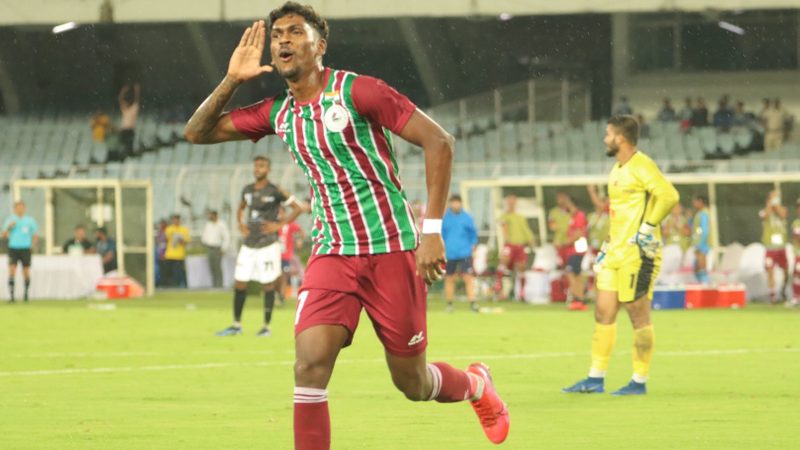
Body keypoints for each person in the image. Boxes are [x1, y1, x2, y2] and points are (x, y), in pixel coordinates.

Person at [184, 4, 509, 447]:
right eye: (276, 34)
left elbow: (439, 142)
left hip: (391, 249)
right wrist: (232, 80)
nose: (282, 40)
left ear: (320, 45)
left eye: (295, 32)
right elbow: (196, 133)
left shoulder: (360, 92)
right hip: (333, 253)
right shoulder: (278, 114)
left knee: (412, 383)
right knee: (309, 366)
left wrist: (431, 230)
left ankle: (475, 385)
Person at [562, 115, 679, 396]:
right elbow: (620, 215)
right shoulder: (616, 169)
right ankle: (595, 378)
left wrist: (648, 228)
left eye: (608, 134)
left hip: (638, 253)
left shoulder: (642, 165)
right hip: (615, 252)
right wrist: (607, 245)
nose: (605, 139)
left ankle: (639, 380)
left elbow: (669, 196)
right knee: (603, 312)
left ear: (620, 138)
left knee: (638, 315)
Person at [215, 156, 306, 337]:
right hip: (249, 243)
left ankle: (266, 326)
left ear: (268, 170)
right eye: (256, 166)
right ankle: (236, 325)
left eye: (262, 166)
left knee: (268, 283)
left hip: (268, 244)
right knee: (240, 281)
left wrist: (280, 225)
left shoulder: (275, 190)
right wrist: (240, 223)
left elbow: (298, 207)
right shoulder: (247, 189)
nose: (258, 169)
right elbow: (241, 207)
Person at [442, 194, 479, 313]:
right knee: (449, 279)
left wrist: (473, 247)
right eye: (453, 202)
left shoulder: (467, 217)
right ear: (450, 204)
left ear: (461, 203)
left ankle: (473, 303)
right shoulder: (446, 218)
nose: (455, 205)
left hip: (465, 253)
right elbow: (441, 236)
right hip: (450, 253)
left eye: (457, 202)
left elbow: (473, 234)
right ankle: (449, 304)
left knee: (468, 278)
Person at [495, 194, 535, 301]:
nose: (511, 203)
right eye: (510, 201)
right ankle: (498, 287)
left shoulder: (521, 217)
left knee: (522, 267)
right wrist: (507, 238)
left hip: (520, 246)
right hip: (510, 245)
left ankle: (522, 292)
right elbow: (503, 227)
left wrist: (531, 241)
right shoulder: (505, 216)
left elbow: (526, 230)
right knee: (504, 263)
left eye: (513, 200)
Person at [2, 201, 38, 302]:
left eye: (21, 207)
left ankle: (26, 294)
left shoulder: (30, 220)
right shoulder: (10, 220)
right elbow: (4, 235)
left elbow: (35, 235)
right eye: (18, 207)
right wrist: (9, 227)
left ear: (24, 208)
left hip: (25, 248)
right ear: (15, 209)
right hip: (13, 248)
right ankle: (12, 296)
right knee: (12, 270)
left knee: (26, 271)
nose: (20, 209)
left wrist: (32, 245)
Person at [560, 194, 589, 311]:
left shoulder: (579, 215)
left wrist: (566, 242)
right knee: (576, 274)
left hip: (577, 250)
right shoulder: (571, 216)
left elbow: (579, 232)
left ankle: (578, 298)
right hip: (573, 250)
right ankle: (579, 300)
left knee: (571, 273)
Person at [760, 190, 788, 303]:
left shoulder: (782, 209)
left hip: (781, 247)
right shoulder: (764, 211)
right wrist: (770, 204)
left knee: (785, 271)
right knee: (770, 271)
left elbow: (782, 214)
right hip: (770, 248)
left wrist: (775, 204)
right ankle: (772, 295)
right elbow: (765, 215)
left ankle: (783, 290)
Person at [278, 204, 307, 303]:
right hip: (275, 254)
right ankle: (277, 294)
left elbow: (301, 232)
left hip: (286, 255)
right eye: (278, 212)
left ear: (284, 213)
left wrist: (299, 240)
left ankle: (282, 297)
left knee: (284, 275)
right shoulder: (275, 224)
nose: (280, 214)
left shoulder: (289, 223)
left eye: (281, 212)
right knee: (276, 276)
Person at [201, 210, 230, 288]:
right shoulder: (208, 225)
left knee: (217, 268)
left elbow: (226, 237)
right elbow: (204, 236)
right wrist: (205, 243)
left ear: (215, 215)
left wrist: (224, 249)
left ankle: (219, 285)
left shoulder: (221, 224)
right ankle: (214, 285)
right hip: (209, 248)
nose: (209, 217)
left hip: (217, 248)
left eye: (211, 215)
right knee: (212, 267)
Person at [164, 214, 191, 287]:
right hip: (169, 255)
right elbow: (166, 239)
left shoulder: (184, 229)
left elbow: (187, 241)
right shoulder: (169, 229)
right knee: (168, 272)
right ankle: (168, 286)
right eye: (174, 219)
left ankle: (176, 286)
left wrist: (182, 241)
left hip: (179, 256)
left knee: (177, 273)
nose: (175, 221)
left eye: (177, 219)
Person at [690, 196, 711, 284]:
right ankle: (701, 284)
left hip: (702, 244)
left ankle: (706, 285)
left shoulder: (704, 214)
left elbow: (705, 230)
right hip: (698, 244)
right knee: (696, 267)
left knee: (701, 267)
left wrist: (701, 244)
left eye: (695, 201)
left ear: (700, 201)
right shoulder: (699, 213)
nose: (693, 204)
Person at [118, 83, 141, 160]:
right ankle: (123, 156)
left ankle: (129, 156)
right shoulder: (124, 110)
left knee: (129, 145)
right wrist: (123, 90)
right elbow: (120, 99)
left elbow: (136, 101)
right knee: (123, 145)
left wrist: (137, 91)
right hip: (124, 129)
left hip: (130, 129)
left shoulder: (133, 109)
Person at [549, 193, 571, 270]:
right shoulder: (553, 212)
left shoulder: (572, 210)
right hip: (559, 242)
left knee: (571, 264)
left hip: (572, 241)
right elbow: (552, 226)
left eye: (563, 198)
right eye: (559, 198)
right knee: (560, 263)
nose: (561, 200)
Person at [789, 199, 800, 308]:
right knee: (797, 273)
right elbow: (797, 237)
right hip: (799, 254)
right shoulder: (796, 223)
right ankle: (796, 297)